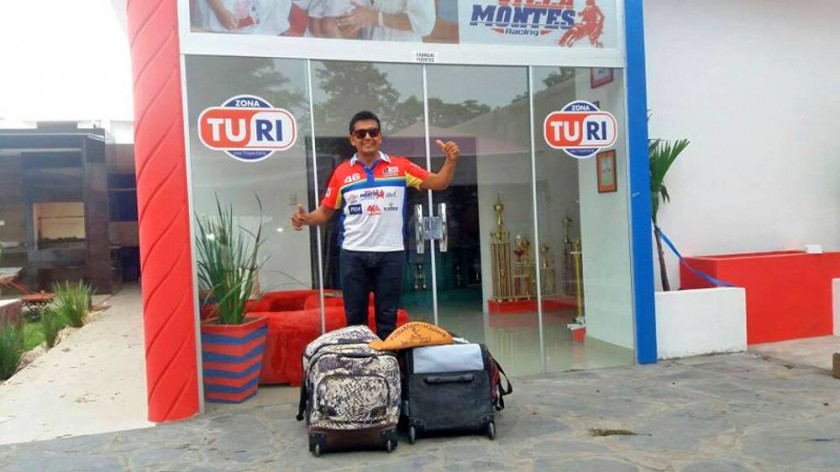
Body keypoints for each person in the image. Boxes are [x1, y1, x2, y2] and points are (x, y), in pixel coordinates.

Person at [291, 111, 459, 339]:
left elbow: (438, 182)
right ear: (352, 139)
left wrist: (450, 161)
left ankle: (388, 361)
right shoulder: (342, 172)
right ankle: (361, 361)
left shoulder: (400, 167)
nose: (368, 137)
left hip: (390, 253)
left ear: (380, 137)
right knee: (355, 321)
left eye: (373, 132)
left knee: (388, 319)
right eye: (361, 133)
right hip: (353, 254)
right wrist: (306, 219)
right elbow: (325, 212)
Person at [335, 0, 436, 42]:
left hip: (403, 65)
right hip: (366, 65)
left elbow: (425, 23)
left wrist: (374, 18)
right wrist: (347, 21)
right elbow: (345, 31)